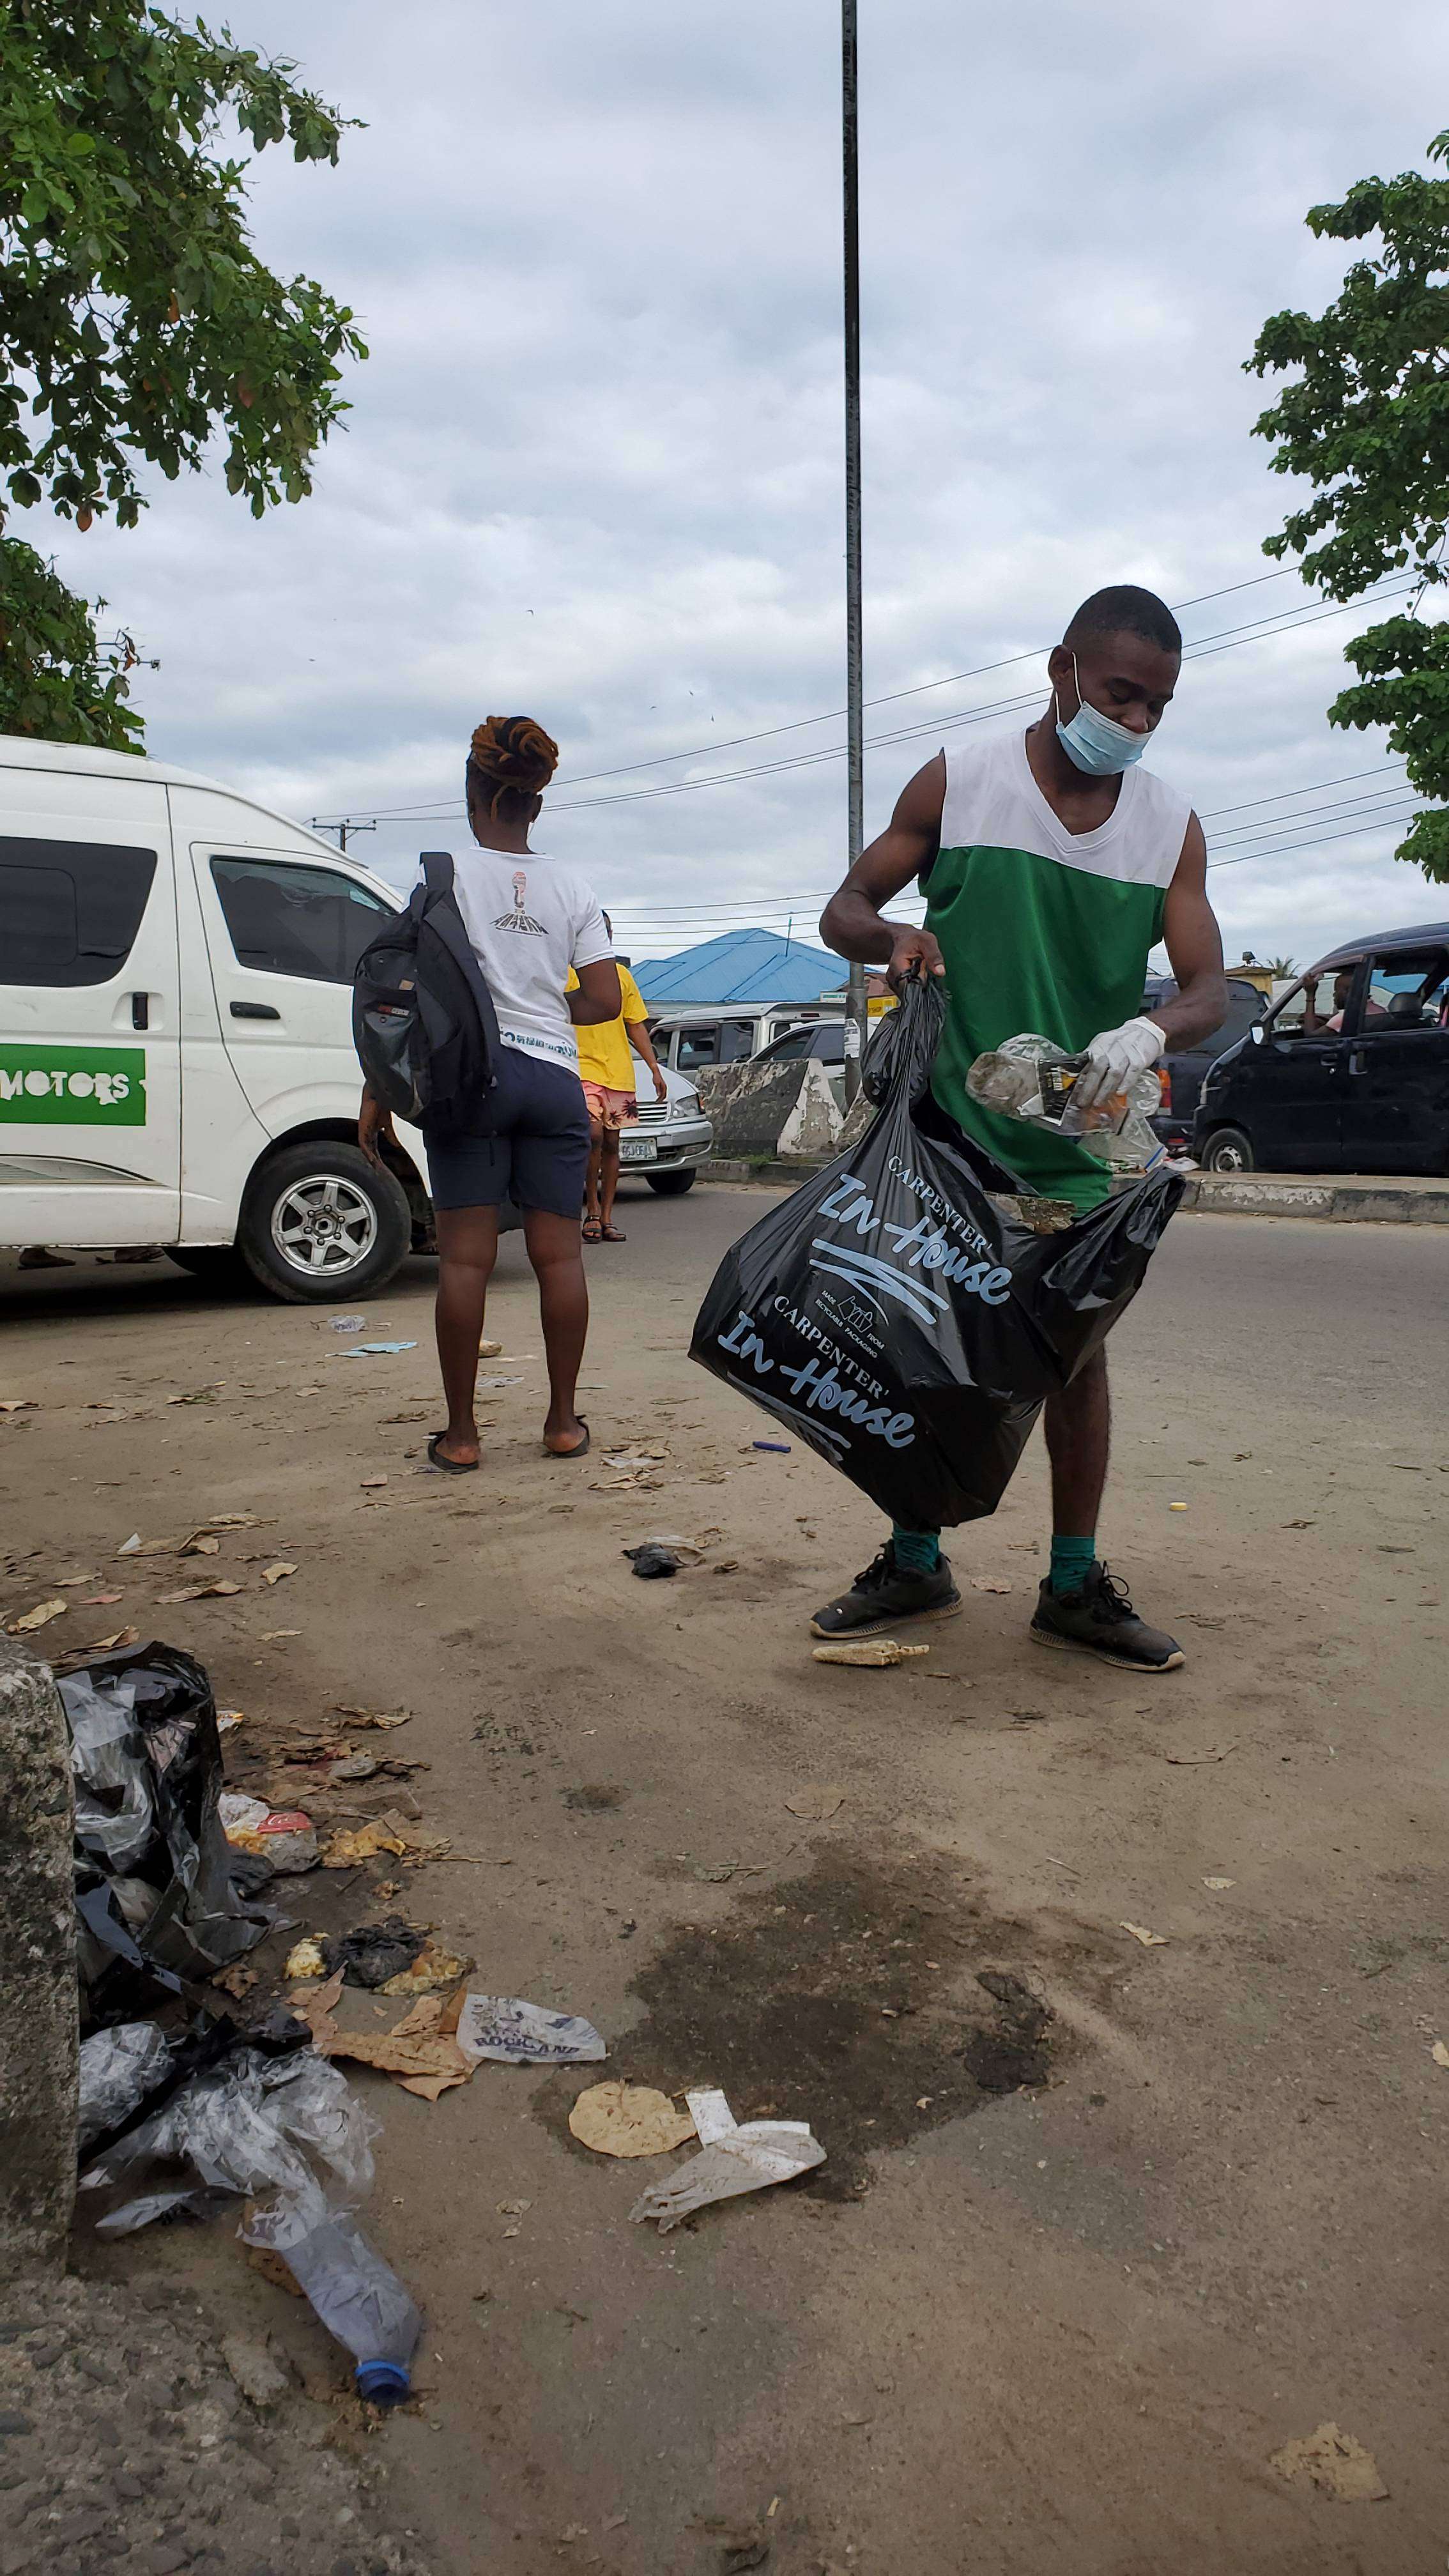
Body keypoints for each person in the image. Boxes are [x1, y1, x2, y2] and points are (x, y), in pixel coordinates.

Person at [815, 584, 1229, 1674]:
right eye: (1119, 695)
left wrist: (1149, 1032)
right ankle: (914, 1558)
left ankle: (1072, 1583)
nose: (1134, 724)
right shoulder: (962, 783)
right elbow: (841, 911)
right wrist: (896, 933)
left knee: (1072, 1359)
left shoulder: (1166, 825)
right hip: (949, 1124)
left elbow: (1206, 986)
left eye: (1156, 707)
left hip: (1079, 1137)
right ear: (1062, 674)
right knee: (923, 1341)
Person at [360, 716, 620, 1471]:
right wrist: (542, 1007)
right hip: (554, 1083)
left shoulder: (443, 879)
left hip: (472, 1079)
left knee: (467, 1262)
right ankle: (563, 1424)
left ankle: (464, 1437)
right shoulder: (573, 886)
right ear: (535, 804)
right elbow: (603, 998)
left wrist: (381, 1088)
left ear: (472, 797)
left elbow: (401, 995)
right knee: (560, 1258)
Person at [569, 914, 668, 1242]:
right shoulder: (563, 972)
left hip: (619, 1072)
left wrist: (654, 1068)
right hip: (582, 1067)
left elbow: (635, 1024)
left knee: (613, 1143)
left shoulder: (621, 975)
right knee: (592, 1135)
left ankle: (607, 1217)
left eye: (606, 932)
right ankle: (592, 1210)